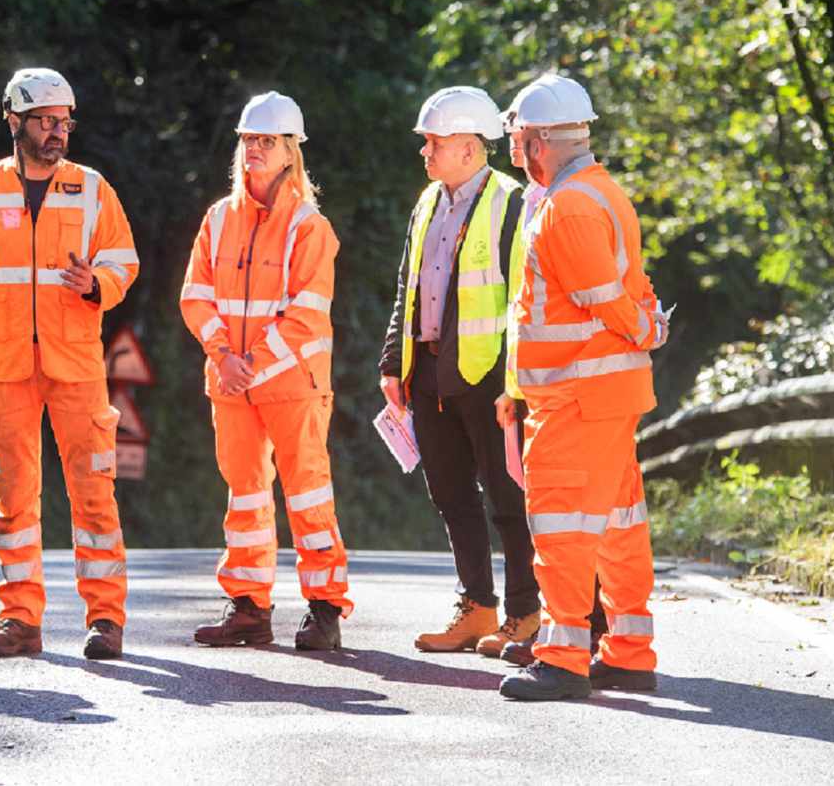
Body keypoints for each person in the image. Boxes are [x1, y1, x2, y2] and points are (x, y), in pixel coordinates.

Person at [0, 67, 139, 661]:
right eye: (46, 121)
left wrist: (96, 282)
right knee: (14, 498)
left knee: (94, 493)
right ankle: (21, 618)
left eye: (64, 121)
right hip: (3, 362)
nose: (57, 132)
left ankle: (105, 618)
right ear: (14, 121)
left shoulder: (93, 188)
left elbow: (124, 261)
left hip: (75, 361)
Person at [495, 75, 670, 701]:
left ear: (539, 140)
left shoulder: (566, 206)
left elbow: (603, 299)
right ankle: (627, 652)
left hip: (574, 398)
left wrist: (643, 329)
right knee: (620, 525)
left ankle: (564, 657)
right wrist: (646, 325)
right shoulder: (602, 194)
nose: (513, 150)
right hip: (603, 395)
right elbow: (634, 286)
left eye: (517, 138)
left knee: (561, 526)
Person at [180, 92, 351, 651]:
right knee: (245, 494)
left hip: (290, 383)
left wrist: (248, 363)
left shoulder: (309, 226)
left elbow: (306, 312)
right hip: (232, 385)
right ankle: (249, 606)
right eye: (248, 140)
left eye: (266, 141)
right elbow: (195, 296)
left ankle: (324, 609)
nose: (254, 149)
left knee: (307, 493)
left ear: (289, 152)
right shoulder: (217, 218)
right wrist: (223, 357)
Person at [377, 87, 539, 657]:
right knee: (450, 494)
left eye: (434, 142)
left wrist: (515, 384)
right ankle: (477, 608)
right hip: (430, 375)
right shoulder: (428, 202)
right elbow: (408, 287)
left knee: (506, 497)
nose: (425, 152)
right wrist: (392, 360)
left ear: (470, 148)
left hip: (490, 377)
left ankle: (525, 611)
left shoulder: (511, 204)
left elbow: (524, 298)